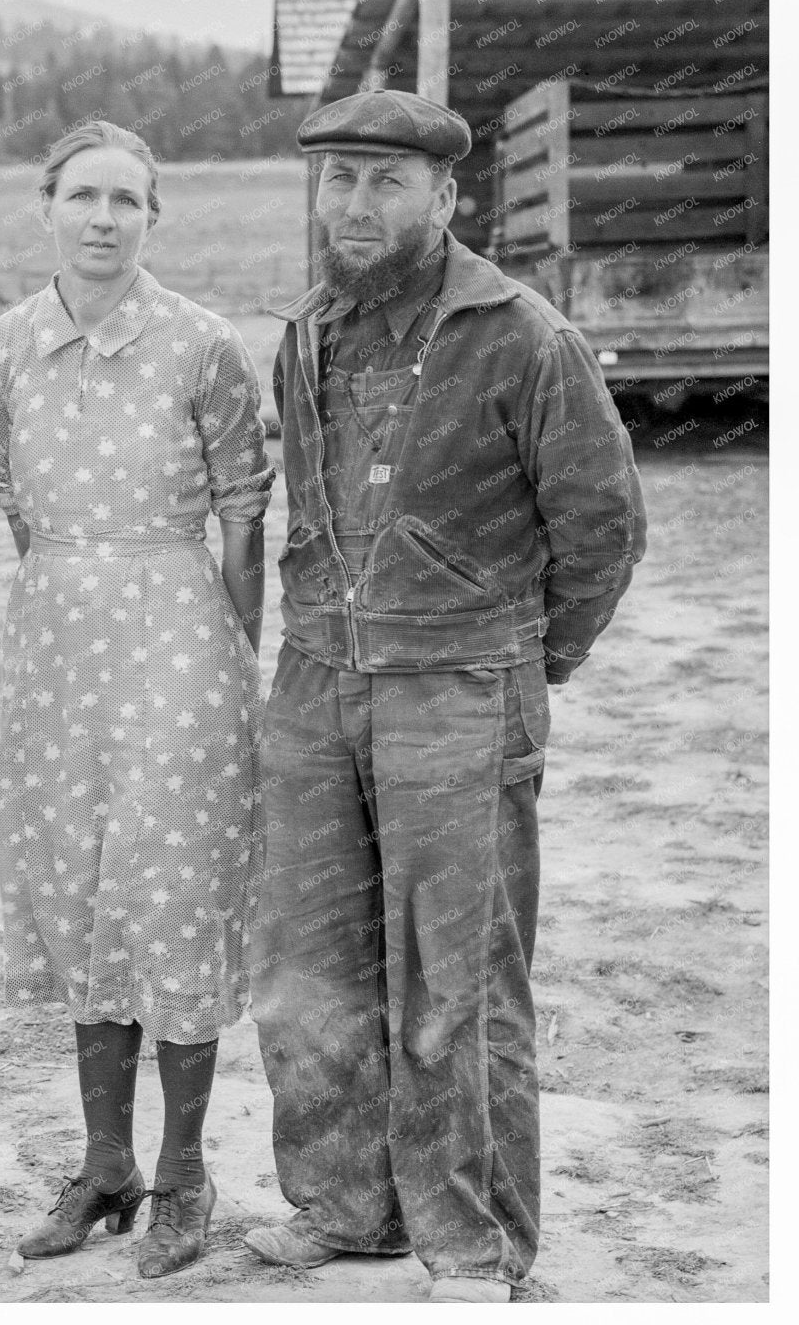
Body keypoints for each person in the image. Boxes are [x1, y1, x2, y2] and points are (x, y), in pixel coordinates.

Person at [244, 89, 647, 1303]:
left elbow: (602, 528)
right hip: (314, 682)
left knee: (454, 983)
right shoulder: (306, 331)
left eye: (384, 180)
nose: (354, 204)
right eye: (337, 181)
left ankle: (474, 1243)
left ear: (444, 196)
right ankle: (347, 1205)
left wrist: (522, 660)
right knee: (308, 972)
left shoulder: (519, 335)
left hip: (459, 693)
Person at [0, 121, 272, 1277]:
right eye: (83, 197)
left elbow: (243, 508)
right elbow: (11, 493)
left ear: (153, 218)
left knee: (171, 885)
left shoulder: (200, 343)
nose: (103, 219)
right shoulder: (6, 344)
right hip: (55, 640)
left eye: (126, 202)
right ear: (45, 206)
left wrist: (236, 652)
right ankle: (105, 1166)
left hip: (178, 637)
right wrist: (69, 583)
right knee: (78, 884)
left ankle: (186, 1171)